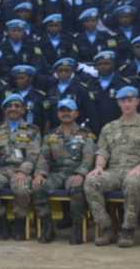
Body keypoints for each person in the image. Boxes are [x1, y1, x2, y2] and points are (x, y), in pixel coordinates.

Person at [84, 86, 140, 247]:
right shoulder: (109, 127)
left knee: (133, 182)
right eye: (123, 100)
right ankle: (107, 228)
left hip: (138, 171)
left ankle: (128, 229)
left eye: (130, 100)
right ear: (118, 103)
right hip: (114, 172)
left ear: (137, 102)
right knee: (91, 181)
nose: (126, 104)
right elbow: (103, 152)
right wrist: (98, 167)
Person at [0, 94, 42, 241]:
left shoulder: (33, 130)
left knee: (21, 188)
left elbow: (34, 155)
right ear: (4, 110)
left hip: (21, 170)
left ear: (23, 110)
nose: (13, 109)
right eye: (9, 106)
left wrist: (23, 172)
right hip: (0, 171)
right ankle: (1, 221)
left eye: (17, 106)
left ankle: (19, 223)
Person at [32, 99, 96, 244]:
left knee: (77, 188)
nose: (65, 113)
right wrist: (40, 174)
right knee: (38, 186)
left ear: (76, 113)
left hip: (75, 173)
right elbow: (43, 157)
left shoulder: (86, 134)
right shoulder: (51, 135)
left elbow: (89, 157)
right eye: (62, 110)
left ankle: (77, 228)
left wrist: (81, 174)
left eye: (69, 110)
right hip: (56, 174)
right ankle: (48, 227)